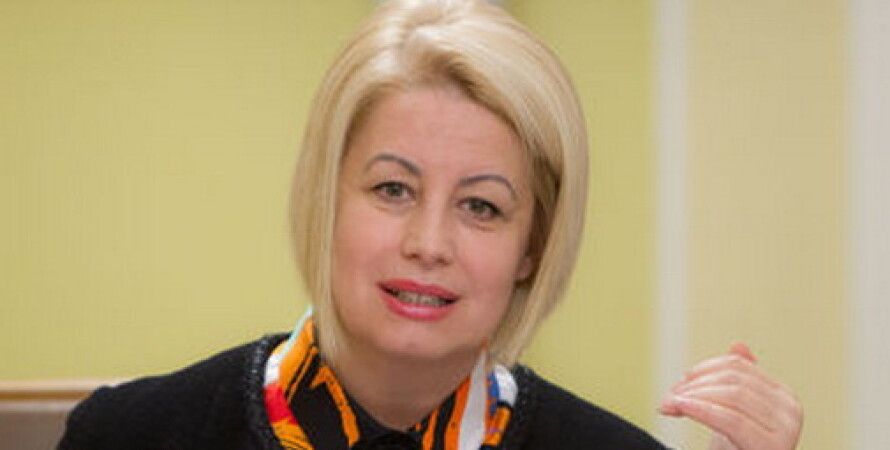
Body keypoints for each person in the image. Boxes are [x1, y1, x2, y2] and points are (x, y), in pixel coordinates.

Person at [58, 1, 803, 449]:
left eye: (481, 206)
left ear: (533, 246)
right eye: (393, 189)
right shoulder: (125, 437)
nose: (428, 244)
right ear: (326, 199)